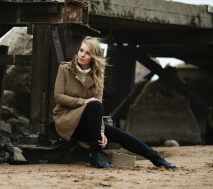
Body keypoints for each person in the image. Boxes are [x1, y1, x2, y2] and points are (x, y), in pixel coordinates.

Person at [53, 36, 176, 169]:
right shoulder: (65, 69)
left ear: (94, 57)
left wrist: (99, 130)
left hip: (87, 124)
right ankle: (97, 153)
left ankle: (157, 159)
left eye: (88, 53)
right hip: (67, 120)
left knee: (119, 134)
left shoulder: (97, 76)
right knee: (94, 104)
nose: (82, 55)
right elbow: (58, 97)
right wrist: (83, 102)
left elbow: (97, 108)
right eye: (81, 50)